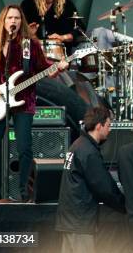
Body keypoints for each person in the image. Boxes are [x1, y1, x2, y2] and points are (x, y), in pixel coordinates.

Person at [0, 5, 68, 203]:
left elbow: (45, 68)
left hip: (23, 102)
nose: (14, 21)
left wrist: (58, 68)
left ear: (21, 21)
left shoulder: (30, 44)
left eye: (17, 18)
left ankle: (25, 192)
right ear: (3, 20)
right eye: (10, 17)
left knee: (25, 148)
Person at [55, 107, 126, 253]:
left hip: (68, 219)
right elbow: (103, 186)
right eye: (108, 125)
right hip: (80, 221)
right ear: (99, 126)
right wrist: (125, 205)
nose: (110, 129)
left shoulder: (76, 145)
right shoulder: (88, 151)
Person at [20, 0, 84, 54]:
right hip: (34, 55)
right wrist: (29, 33)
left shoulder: (66, 4)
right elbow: (18, 33)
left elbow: (79, 30)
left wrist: (63, 37)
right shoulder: (28, 4)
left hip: (62, 56)